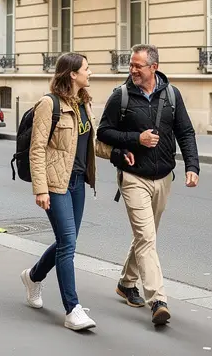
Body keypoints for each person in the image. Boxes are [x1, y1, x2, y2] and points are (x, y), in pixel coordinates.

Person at [19, 52, 133, 331]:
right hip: (56, 184)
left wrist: (119, 153)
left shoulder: (83, 103)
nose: (90, 72)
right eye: (86, 68)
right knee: (68, 244)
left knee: (65, 242)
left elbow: (90, 144)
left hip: (78, 182)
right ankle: (72, 309)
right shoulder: (49, 104)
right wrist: (40, 189)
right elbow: (37, 149)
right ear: (72, 74)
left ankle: (33, 277)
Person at [97, 43, 200, 326]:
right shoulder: (121, 96)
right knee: (146, 238)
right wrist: (135, 139)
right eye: (130, 65)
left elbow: (185, 132)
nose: (132, 70)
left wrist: (192, 165)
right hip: (133, 178)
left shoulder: (171, 95)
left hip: (164, 177)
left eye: (138, 66)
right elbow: (103, 132)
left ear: (154, 67)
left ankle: (126, 282)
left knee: (147, 236)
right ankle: (158, 300)